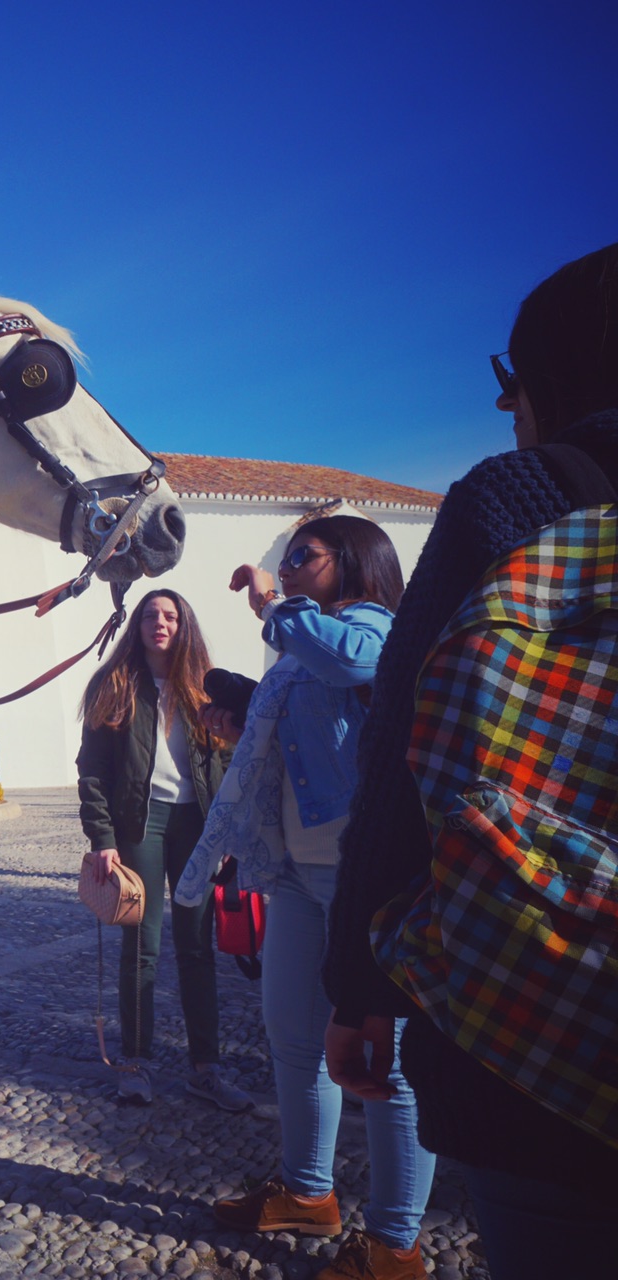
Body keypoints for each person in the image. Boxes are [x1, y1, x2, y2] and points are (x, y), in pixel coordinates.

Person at [322, 241, 618, 1279]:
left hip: (539, 1029)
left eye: (511, 392)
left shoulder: (517, 497)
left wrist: (361, 987)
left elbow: (406, 748)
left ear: (547, 382)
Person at [176, 515, 430, 1280]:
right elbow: (311, 719)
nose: (285, 568)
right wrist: (242, 717)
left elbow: (348, 664)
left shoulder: (379, 627)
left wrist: (269, 605)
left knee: (386, 1062)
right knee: (293, 1039)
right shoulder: (302, 641)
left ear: (354, 561)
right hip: (293, 872)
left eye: (302, 557)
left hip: (366, 877)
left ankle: (394, 1245)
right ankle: (308, 1192)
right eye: (282, 560)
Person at [76, 589, 247, 1110]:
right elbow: (92, 770)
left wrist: (226, 832)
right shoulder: (116, 684)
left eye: (170, 615)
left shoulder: (203, 687)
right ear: (139, 625)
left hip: (195, 823)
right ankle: (135, 1062)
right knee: (140, 946)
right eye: (151, 614)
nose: (160, 623)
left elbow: (226, 762)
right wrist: (102, 838)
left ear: (183, 625)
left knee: (197, 947)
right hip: (140, 825)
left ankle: (206, 1068)